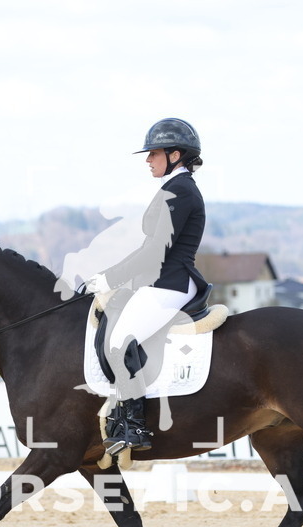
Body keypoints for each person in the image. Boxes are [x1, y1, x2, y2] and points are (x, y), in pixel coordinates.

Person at [86, 117, 209, 457]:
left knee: (120, 343)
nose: (148, 160)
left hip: (171, 283)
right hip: (161, 281)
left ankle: (134, 426)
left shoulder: (180, 191)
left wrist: (108, 279)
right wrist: (110, 276)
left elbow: (155, 252)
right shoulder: (173, 188)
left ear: (175, 155)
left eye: (154, 153)